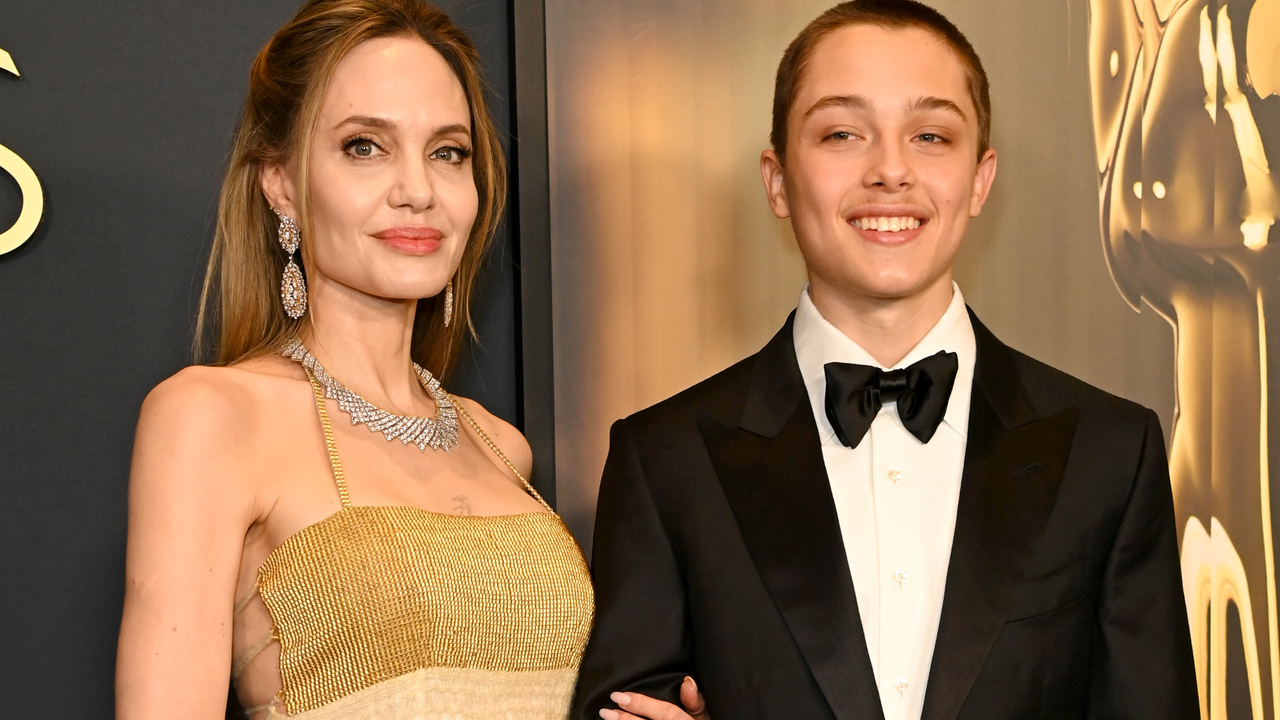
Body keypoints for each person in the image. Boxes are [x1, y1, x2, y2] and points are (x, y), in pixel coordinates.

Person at [573, 1, 1199, 719]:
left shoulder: (1110, 454)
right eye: (843, 133)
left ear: (980, 180)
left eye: (930, 135)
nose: (891, 170)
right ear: (777, 179)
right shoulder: (665, 463)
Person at [114, 2, 600, 718]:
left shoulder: (501, 447)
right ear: (280, 182)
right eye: (364, 146)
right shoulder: (212, 419)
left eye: (448, 152)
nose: (417, 191)